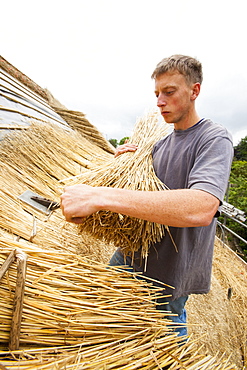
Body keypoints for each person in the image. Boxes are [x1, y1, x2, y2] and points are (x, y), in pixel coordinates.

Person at [60, 54, 233, 338]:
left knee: (161, 347)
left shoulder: (214, 139)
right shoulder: (159, 145)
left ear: (194, 91)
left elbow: (202, 206)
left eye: (169, 92)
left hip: (169, 270)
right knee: (104, 324)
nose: (159, 102)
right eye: (156, 94)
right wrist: (120, 167)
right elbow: (139, 200)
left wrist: (102, 195)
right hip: (130, 255)